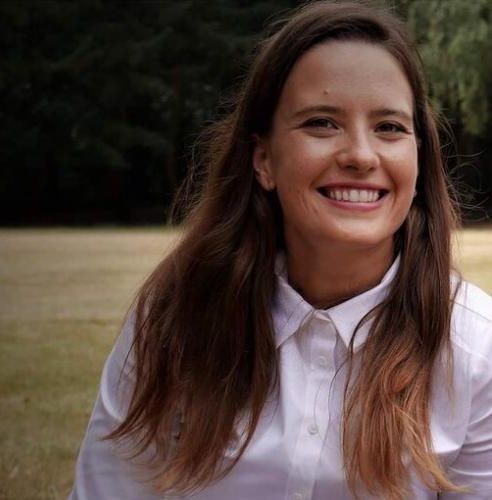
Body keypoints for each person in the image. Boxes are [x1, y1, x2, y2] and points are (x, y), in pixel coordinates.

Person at [69, 1, 492, 499]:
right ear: (264, 159)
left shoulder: (476, 348)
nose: (361, 155)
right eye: (322, 123)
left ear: (418, 158)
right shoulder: (175, 318)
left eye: (389, 128)